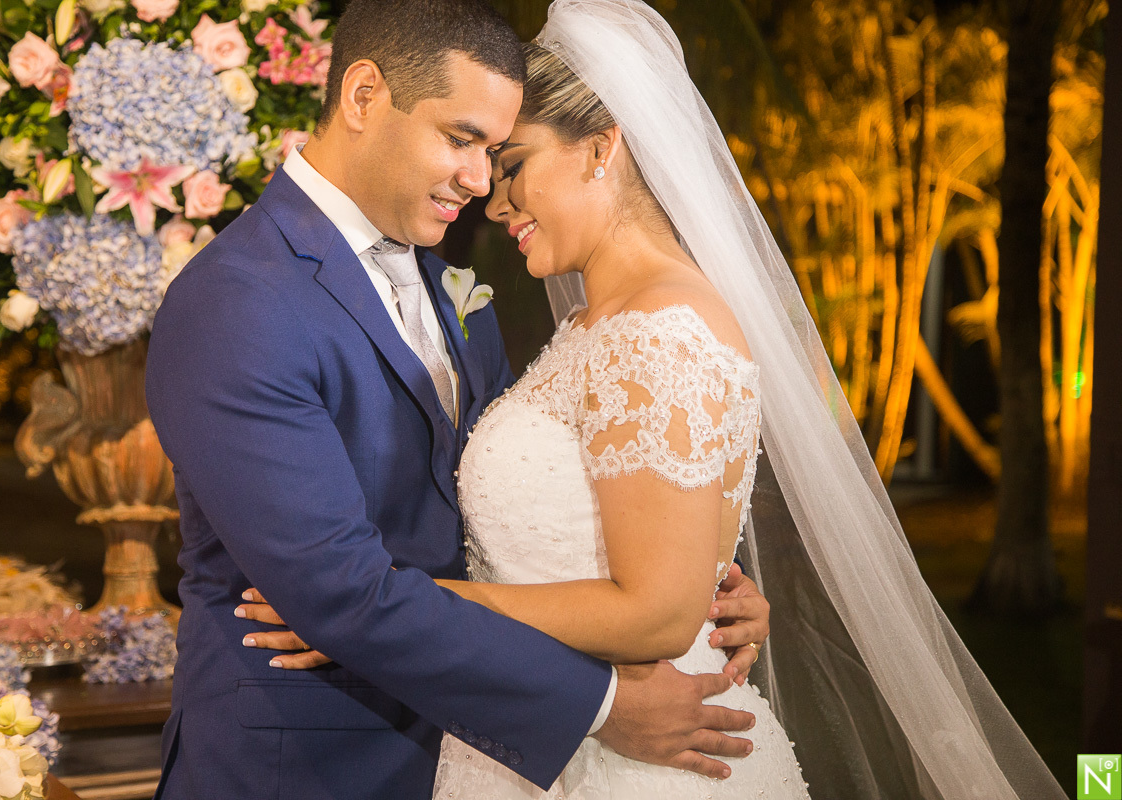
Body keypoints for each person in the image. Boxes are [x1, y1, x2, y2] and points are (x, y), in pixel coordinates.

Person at [240, 1, 1069, 798]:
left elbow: (660, 614)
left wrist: (389, 603)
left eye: (516, 164)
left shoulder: (661, 327)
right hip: (543, 740)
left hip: (645, 761)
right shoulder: (597, 326)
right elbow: (639, 552)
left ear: (602, 147)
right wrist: (718, 578)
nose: (493, 199)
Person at [144, 1, 772, 798]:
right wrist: (602, 705)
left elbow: (533, 483)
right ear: (364, 96)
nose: (482, 185)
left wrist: (701, 579)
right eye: (462, 140)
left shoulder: (451, 290)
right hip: (310, 767)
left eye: (497, 153)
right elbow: (342, 593)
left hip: (473, 757)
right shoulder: (235, 301)